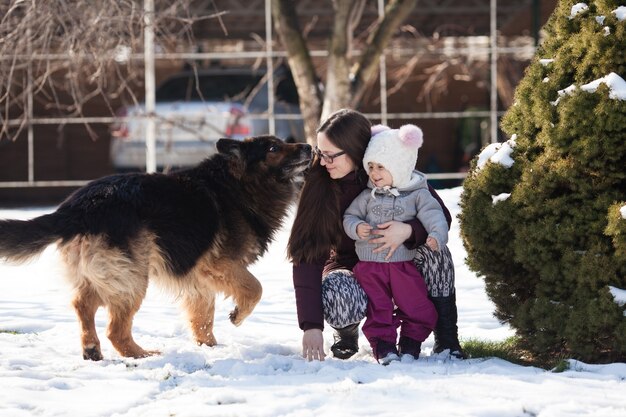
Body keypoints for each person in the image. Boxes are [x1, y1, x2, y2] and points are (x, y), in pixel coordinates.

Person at [287, 108, 464, 362]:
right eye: (320, 153)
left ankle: (447, 338)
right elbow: (307, 254)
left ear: (355, 150)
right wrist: (311, 326)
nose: (323, 162)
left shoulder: (390, 169)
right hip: (352, 268)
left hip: (401, 261)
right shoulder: (320, 184)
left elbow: (439, 217)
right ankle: (346, 333)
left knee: (437, 252)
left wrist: (408, 230)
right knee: (338, 291)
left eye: (330, 155)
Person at [343, 124, 445, 364]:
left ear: (399, 165)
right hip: (369, 267)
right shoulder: (367, 196)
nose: (374, 173)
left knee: (417, 306)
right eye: (370, 166)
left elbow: (435, 214)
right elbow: (349, 216)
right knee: (378, 309)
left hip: (402, 265)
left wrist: (436, 234)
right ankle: (384, 348)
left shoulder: (417, 193)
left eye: (380, 166)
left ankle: (411, 343)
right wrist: (357, 227)